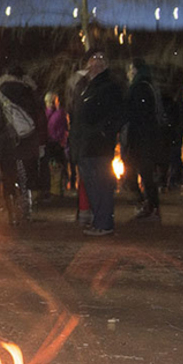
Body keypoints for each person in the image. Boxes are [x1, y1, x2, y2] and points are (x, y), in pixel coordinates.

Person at [0, 66, 47, 225]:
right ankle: (26, 212)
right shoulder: (29, 91)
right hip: (28, 140)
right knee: (26, 176)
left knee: (9, 177)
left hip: (6, 142)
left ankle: (13, 216)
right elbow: (40, 118)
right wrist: (42, 143)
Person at [70, 52, 124, 237]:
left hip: (97, 145)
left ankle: (104, 222)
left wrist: (103, 132)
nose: (94, 68)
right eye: (92, 64)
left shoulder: (108, 87)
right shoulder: (89, 86)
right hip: (87, 144)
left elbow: (117, 115)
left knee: (100, 183)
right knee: (94, 184)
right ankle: (100, 220)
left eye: (98, 64)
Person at [123, 58, 162, 221]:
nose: (129, 73)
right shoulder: (149, 86)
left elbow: (137, 114)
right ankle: (149, 205)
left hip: (141, 138)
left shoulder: (140, 88)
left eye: (132, 69)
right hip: (147, 137)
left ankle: (149, 206)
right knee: (143, 173)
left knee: (139, 172)